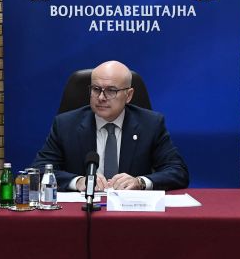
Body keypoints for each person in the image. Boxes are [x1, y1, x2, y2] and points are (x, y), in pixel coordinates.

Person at [31, 60, 189, 191]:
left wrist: (140, 182)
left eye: (111, 91)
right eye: (96, 89)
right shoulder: (65, 124)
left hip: (132, 211)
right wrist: (78, 182)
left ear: (128, 95)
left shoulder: (151, 124)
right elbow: (40, 169)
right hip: (81, 209)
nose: (101, 97)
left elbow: (177, 171)